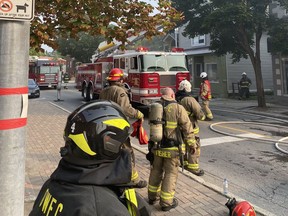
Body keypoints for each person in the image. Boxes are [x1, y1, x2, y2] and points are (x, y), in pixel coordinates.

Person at [29, 100, 151, 216]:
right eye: (124, 141)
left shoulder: (52, 184)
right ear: (108, 144)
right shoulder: (103, 208)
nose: (126, 148)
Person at [147, 87, 196, 211]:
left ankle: (152, 197)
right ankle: (166, 203)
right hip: (172, 149)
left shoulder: (155, 107)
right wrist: (192, 145)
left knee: (156, 171)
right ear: (172, 95)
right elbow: (187, 128)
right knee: (170, 174)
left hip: (156, 147)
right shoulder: (178, 108)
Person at [99, 68, 146, 188]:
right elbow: (126, 109)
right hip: (118, 128)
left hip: (106, 127)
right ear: (120, 79)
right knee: (127, 153)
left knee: (111, 152)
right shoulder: (120, 91)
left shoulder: (104, 91)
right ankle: (134, 180)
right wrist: (139, 114)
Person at [175, 79, 205, 176]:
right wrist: (203, 117)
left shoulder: (176, 98)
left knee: (182, 145)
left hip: (179, 127)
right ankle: (193, 168)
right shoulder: (189, 100)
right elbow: (200, 114)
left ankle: (183, 163)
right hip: (191, 127)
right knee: (193, 146)